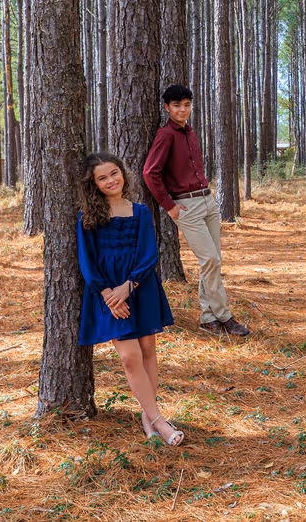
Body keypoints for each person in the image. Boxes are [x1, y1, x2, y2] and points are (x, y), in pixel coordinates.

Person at [77, 153, 183, 446]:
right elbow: (86, 260)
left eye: (114, 173)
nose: (111, 180)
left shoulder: (140, 211)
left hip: (140, 287)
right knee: (129, 357)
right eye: (102, 177)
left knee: (148, 348)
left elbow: (149, 253)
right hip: (107, 293)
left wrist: (129, 286)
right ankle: (160, 421)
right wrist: (109, 294)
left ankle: (148, 416)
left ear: (123, 174)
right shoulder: (88, 217)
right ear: (94, 184)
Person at [143, 84, 249, 337]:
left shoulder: (189, 132)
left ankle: (207, 317)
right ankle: (224, 316)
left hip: (208, 202)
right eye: (177, 105)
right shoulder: (165, 135)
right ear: (167, 107)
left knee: (212, 260)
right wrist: (170, 207)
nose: (182, 109)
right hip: (186, 205)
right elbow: (150, 173)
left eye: (187, 104)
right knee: (210, 259)